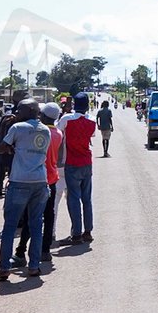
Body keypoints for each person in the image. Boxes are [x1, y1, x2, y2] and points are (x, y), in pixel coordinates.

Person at [0, 98, 51, 281]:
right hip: (40, 182)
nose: (17, 113)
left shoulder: (17, 128)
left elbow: (0, 148)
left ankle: (4, 269)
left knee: (10, 226)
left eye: (19, 110)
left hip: (19, 182)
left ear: (28, 111)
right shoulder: (46, 130)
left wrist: (7, 127)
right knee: (36, 225)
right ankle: (34, 267)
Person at [19, 103, 63, 262]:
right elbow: (60, 159)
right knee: (49, 215)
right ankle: (45, 250)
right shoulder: (58, 133)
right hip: (52, 178)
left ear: (44, 116)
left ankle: (21, 250)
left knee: (31, 215)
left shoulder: (40, 133)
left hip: (37, 179)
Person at [59, 92, 96, 244]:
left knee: (73, 198)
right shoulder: (92, 121)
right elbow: (91, 136)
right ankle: (88, 232)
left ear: (74, 104)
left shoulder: (66, 119)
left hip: (71, 163)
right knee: (87, 198)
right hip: (87, 162)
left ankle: (76, 233)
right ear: (87, 105)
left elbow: (58, 132)